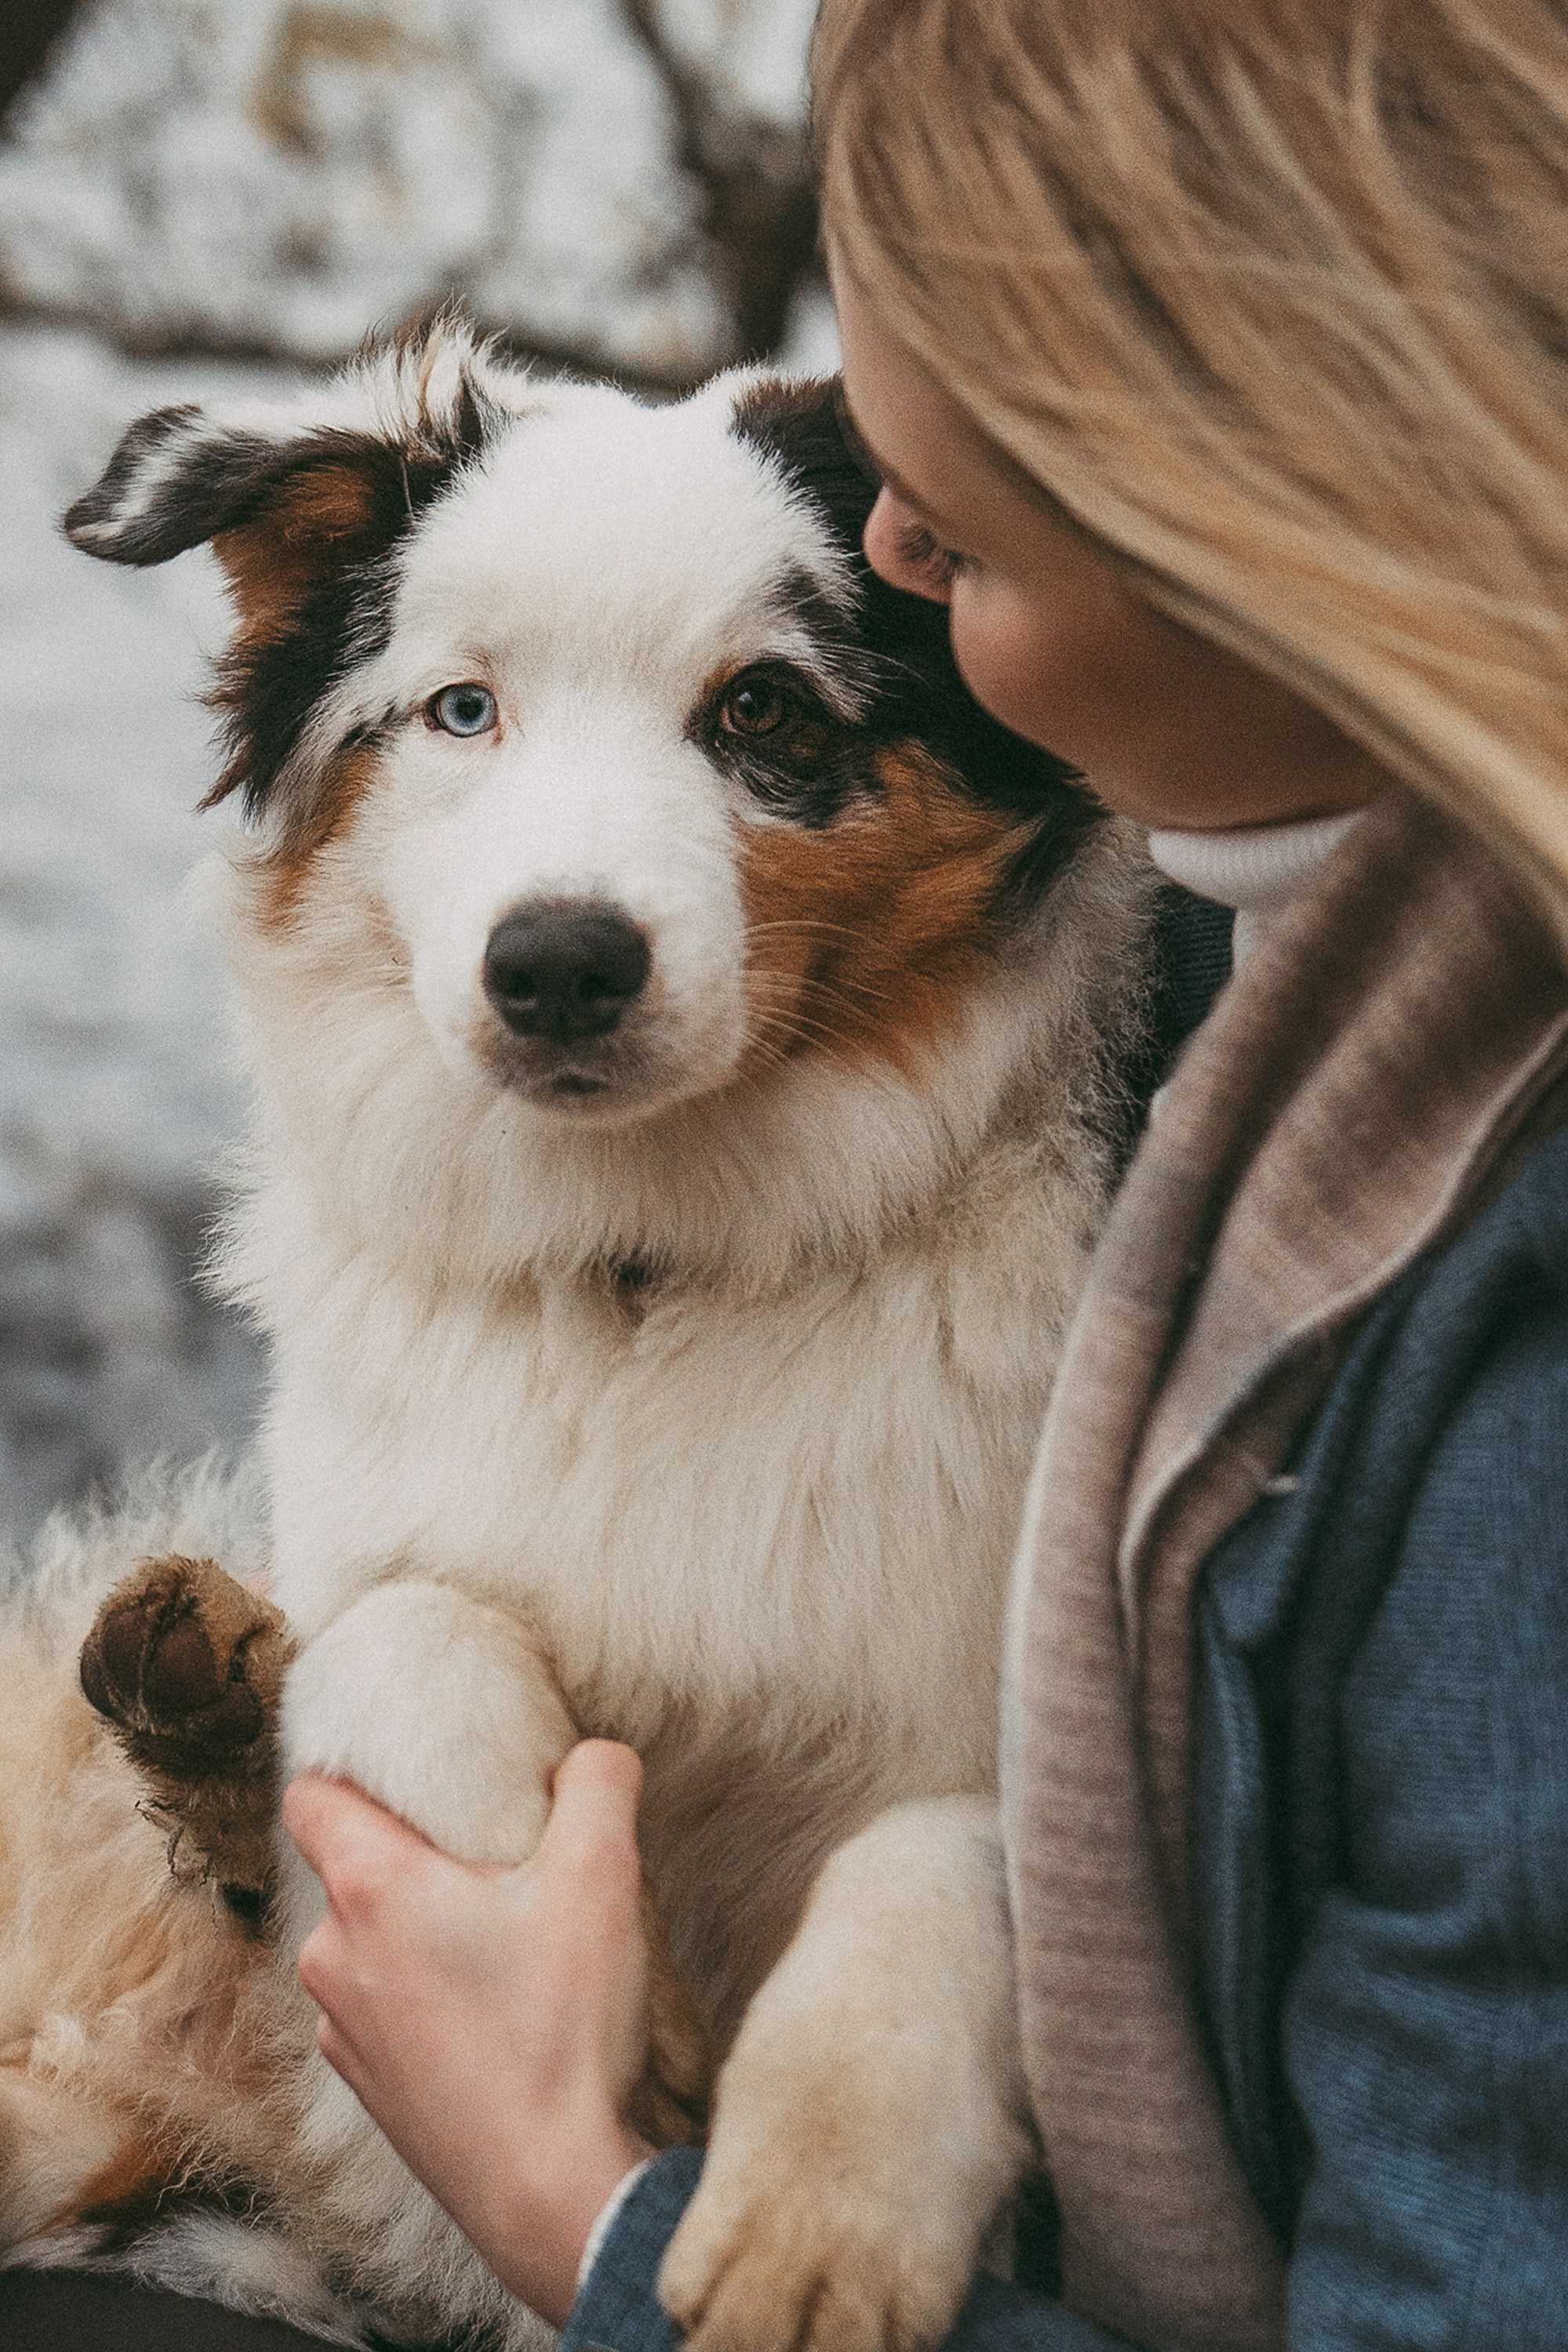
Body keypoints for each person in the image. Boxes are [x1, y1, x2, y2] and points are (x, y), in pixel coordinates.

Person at [9, 0, 1568, 2344]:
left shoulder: (1413, 1251)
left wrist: (599, 2210)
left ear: (1228, 478)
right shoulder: (1323, 994)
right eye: (463, 709)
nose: (912, 534)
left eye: (770, 712)